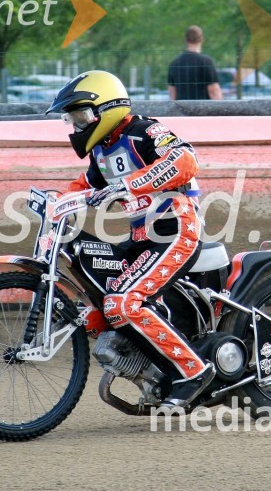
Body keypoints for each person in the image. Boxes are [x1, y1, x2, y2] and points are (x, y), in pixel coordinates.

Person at [46, 70, 215, 408]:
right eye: (72, 118)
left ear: (105, 109)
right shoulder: (101, 151)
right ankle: (149, 369)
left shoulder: (144, 131)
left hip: (176, 227)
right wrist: (56, 201)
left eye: (81, 115)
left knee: (123, 302)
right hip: (142, 237)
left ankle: (194, 371)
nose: (76, 125)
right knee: (98, 304)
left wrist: (129, 185)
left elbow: (185, 159)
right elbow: (85, 185)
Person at [167, 25, 223, 101]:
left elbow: (172, 93)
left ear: (186, 39)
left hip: (182, 111)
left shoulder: (174, 63)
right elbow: (213, 91)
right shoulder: (206, 62)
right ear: (201, 39)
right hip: (203, 110)